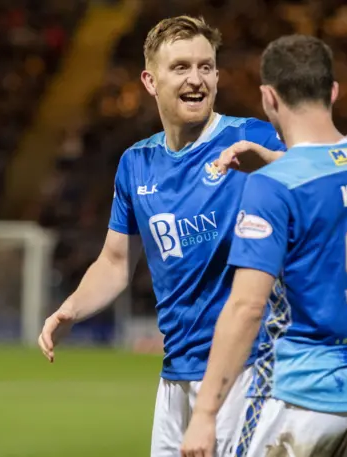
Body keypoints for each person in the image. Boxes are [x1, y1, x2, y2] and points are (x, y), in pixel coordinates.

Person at [179, 34, 347, 457]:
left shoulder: (272, 187)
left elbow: (246, 307)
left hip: (297, 397)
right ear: (333, 91)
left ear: (268, 98)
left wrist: (206, 414)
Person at [36, 15, 285, 457]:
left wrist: (276, 166)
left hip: (248, 372)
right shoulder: (137, 163)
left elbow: (321, 191)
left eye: (206, 67)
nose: (196, 79)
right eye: (182, 67)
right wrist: (71, 308)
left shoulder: (251, 139)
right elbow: (115, 262)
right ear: (150, 81)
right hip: (175, 377)